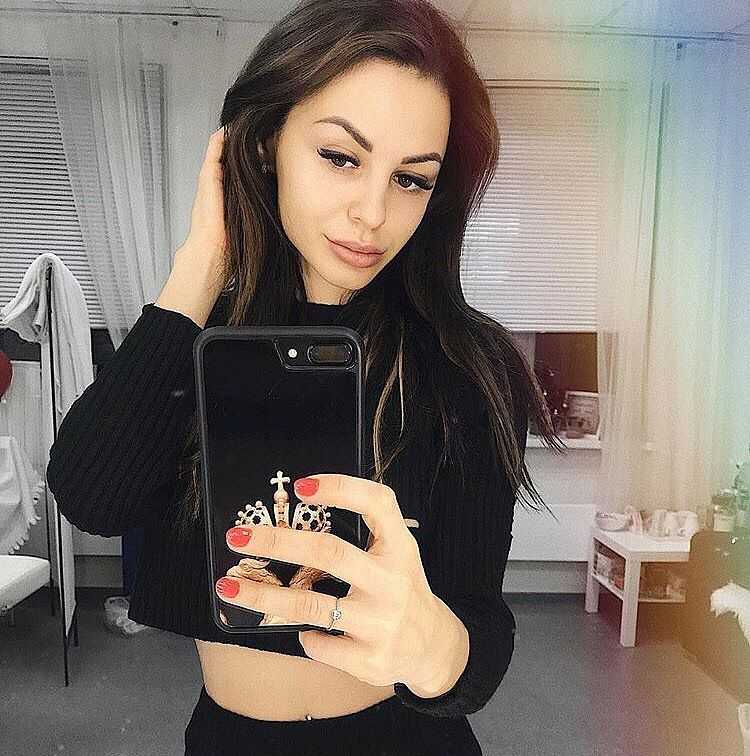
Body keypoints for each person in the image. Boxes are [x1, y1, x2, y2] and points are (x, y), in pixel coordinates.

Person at [46, 0, 561, 753]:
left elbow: (482, 625)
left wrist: (437, 650)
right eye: (341, 157)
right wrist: (197, 271)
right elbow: (91, 496)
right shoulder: (201, 344)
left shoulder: (466, 365)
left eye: (411, 179)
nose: (373, 213)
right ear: (265, 144)